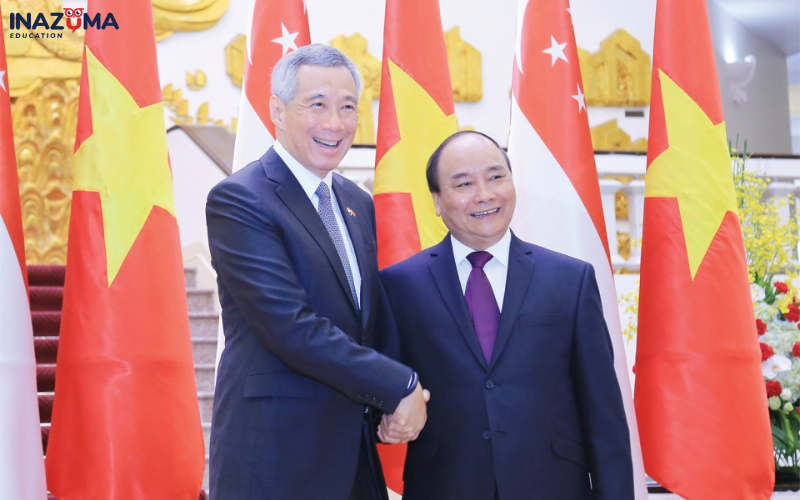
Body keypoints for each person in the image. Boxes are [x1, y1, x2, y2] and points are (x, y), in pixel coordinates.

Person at [206, 44, 428, 500]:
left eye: (348, 107)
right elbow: (289, 326)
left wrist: (395, 402)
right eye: (318, 105)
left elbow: (366, 320)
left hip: (353, 455)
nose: (335, 123)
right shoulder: (240, 199)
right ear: (278, 110)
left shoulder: (356, 201)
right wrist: (397, 384)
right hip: (276, 456)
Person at [377, 131, 634, 500]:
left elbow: (603, 415)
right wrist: (386, 419)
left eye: (496, 177)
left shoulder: (569, 280)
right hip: (445, 487)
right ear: (436, 200)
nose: (484, 194)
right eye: (464, 183)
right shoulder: (399, 285)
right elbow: (380, 390)